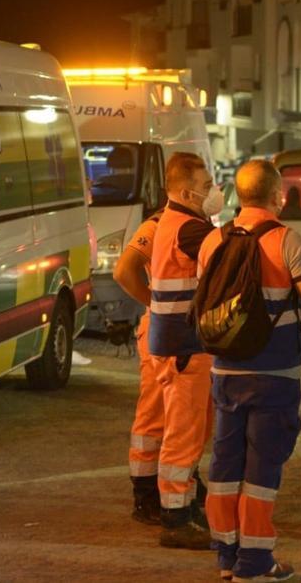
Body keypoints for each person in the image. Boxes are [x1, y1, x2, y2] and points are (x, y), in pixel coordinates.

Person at [199, 159, 301, 583]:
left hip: (225, 370)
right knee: (263, 467)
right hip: (275, 373)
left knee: (224, 461)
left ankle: (226, 555)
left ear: (239, 195)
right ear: (278, 196)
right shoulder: (287, 239)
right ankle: (255, 563)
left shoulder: (213, 240)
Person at [148, 151, 222, 549]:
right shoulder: (188, 229)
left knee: (191, 432)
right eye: (207, 187)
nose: (213, 193)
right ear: (185, 190)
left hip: (181, 344)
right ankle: (175, 518)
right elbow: (227, 253)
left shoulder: (180, 222)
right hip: (184, 347)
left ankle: (186, 502)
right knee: (183, 434)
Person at [113, 207, 167, 525]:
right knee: (154, 417)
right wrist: (154, 302)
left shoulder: (197, 226)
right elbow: (123, 272)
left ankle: (175, 483)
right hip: (161, 329)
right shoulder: (157, 225)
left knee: (181, 418)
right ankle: (145, 493)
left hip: (179, 333)